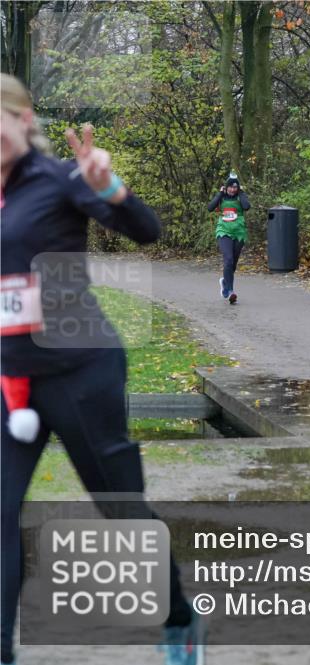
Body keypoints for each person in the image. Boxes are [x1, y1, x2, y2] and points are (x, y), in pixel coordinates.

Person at [0, 74, 204, 665]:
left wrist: (109, 186)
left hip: (80, 370)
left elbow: (146, 229)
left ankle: (180, 618)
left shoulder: (62, 178)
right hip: (12, 382)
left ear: (23, 119)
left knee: (120, 509)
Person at [207, 172, 250, 304]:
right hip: (224, 231)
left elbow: (246, 206)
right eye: (230, 187)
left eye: (235, 187)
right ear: (226, 187)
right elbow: (210, 208)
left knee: (233, 264)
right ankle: (231, 291)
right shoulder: (222, 197)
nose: (232, 189)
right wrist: (220, 194)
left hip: (239, 232)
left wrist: (241, 193)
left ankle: (225, 282)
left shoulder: (240, 197)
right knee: (228, 259)